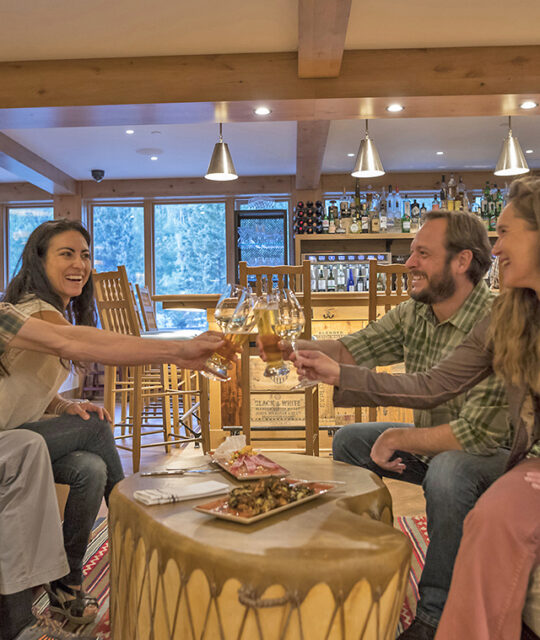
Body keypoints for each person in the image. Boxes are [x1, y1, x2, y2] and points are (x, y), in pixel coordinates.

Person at [293, 175, 540, 640]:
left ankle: (433, 616)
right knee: (350, 441)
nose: (409, 264)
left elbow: (477, 435)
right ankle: (368, 567)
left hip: (490, 455)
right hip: (445, 445)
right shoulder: (509, 313)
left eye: (422, 254)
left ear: (462, 261)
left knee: (450, 472)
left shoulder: (496, 313)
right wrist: (285, 347)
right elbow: (429, 385)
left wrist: (399, 435)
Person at [0, 218, 220, 627]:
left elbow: (17, 382)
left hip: (18, 438)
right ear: (38, 260)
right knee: (99, 430)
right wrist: (177, 351)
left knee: (90, 467)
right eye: (66, 253)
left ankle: (66, 584)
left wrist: (64, 405)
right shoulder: (34, 312)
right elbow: (76, 342)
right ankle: (141, 536)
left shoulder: (48, 312)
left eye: (84, 255)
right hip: (8, 442)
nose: (79, 264)